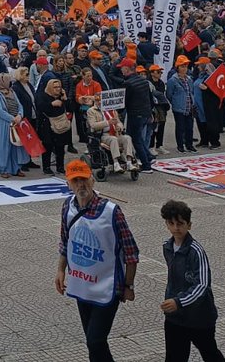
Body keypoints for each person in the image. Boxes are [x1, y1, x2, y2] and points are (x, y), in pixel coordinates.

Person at [55, 159, 139, 362]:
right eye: (75, 181)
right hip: (81, 285)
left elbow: (131, 252)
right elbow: (66, 241)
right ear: (68, 184)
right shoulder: (68, 206)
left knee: (95, 340)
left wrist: (128, 284)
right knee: (93, 341)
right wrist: (60, 270)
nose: (80, 185)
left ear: (92, 180)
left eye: (84, 179)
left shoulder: (111, 211)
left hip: (109, 286)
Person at [160, 199, 225, 362]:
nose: (176, 228)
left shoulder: (196, 251)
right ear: (167, 225)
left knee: (209, 352)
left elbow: (202, 285)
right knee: (174, 357)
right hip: (175, 317)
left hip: (199, 317)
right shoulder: (167, 247)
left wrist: (178, 301)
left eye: (180, 224)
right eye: (172, 223)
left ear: (189, 225)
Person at [82, 94, 136, 172]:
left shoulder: (112, 110)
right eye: (98, 100)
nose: (100, 102)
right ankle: (116, 163)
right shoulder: (91, 111)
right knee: (113, 139)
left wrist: (119, 127)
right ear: (95, 101)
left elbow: (119, 122)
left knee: (127, 138)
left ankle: (129, 162)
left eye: (101, 100)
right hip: (103, 134)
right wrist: (107, 123)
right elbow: (93, 125)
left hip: (116, 133)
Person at [0, 73, 30, 177]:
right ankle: (4, 169)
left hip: (16, 122)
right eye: (8, 81)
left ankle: (16, 169)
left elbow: (19, 105)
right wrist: (12, 118)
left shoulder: (12, 91)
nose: (10, 82)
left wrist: (20, 115)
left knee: (17, 146)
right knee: (4, 146)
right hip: (4, 124)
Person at [37, 77, 70, 176]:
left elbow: (69, 108)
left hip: (61, 124)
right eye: (55, 87)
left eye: (59, 87)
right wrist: (51, 104)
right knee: (47, 147)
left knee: (60, 147)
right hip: (47, 125)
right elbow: (40, 107)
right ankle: (46, 167)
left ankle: (60, 167)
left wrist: (65, 98)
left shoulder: (61, 96)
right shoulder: (43, 96)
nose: (58, 89)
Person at [165, 60, 197, 154]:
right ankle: (180, 145)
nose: (184, 69)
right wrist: (175, 102)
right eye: (182, 67)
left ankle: (189, 145)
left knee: (189, 127)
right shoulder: (173, 80)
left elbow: (191, 91)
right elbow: (169, 94)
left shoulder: (189, 79)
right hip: (179, 108)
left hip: (189, 107)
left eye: (186, 67)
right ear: (177, 68)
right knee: (180, 127)